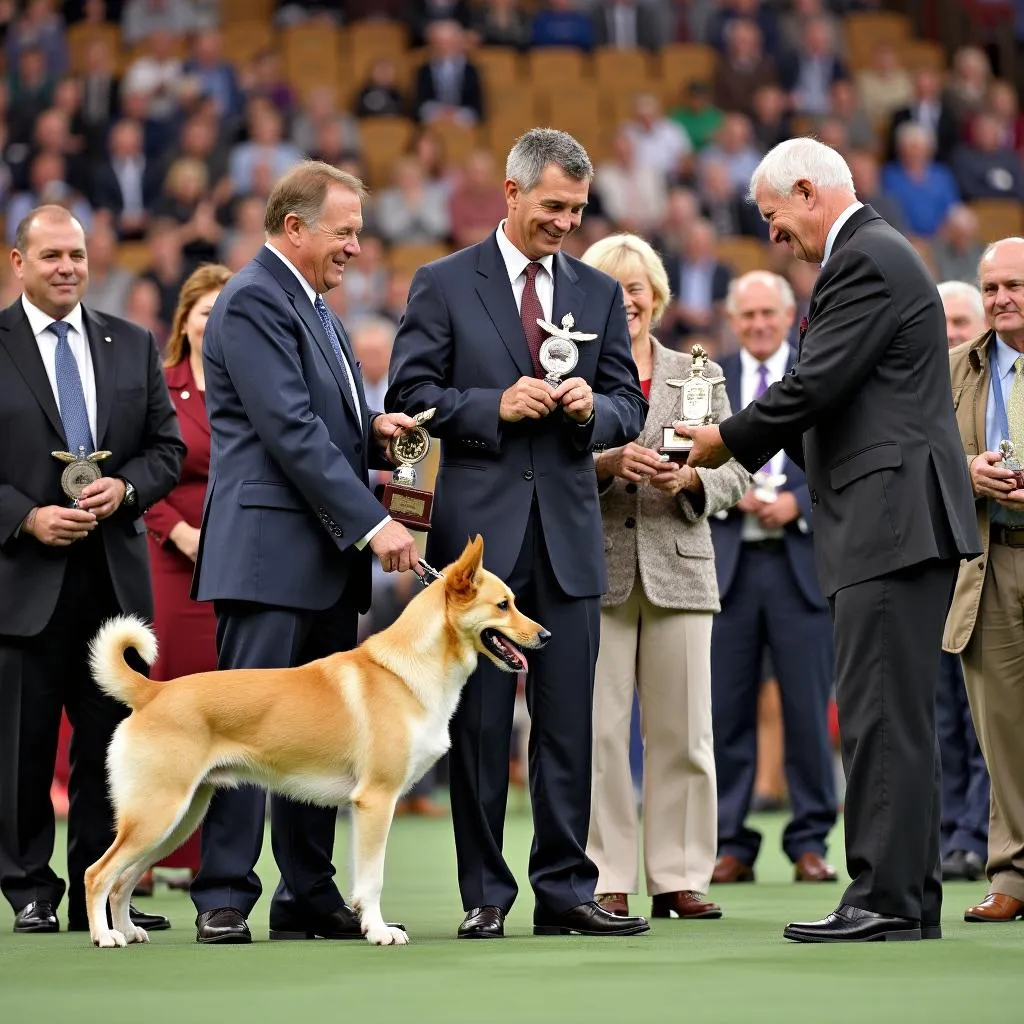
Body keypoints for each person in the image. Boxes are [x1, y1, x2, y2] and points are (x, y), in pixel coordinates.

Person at [681, 138, 981, 943]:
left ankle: (881, 898)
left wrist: (725, 440)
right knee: (900, 716)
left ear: (810, 191)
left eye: (777, 221)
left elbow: (816, 384)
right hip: (899, 519)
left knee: (882, 714)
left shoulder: (865, 259)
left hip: (887, 518)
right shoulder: (878, 254)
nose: (779, 240)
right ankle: (907, 898)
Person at [386, 128, 650, 939]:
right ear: (511, 193)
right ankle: (484, 896)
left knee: (570, 723)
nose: (567, 222)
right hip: (476, 553)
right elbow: (409, 399)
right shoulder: (440, 283)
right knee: (479, 729)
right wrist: (490, 407)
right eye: (553, 206)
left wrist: (592, 413)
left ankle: (567, 891)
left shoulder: (598, 293)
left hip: (568, 539)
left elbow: (628, 405)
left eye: (577, 208)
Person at [189, 161, 422, 945]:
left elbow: (321, 426)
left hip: (317, 558)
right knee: (240, 732)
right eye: (346, 229)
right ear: (296, 227)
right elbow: (289, 430)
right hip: (266, 557)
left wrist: (374, 435)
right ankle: (222, 892)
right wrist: (373, 521)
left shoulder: (314, 306)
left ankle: (307, 893)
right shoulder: (256, 299)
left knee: (314, 741)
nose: (357, 245)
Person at [0, 204, 184, 935]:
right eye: (50, 256)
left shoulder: (131, 344)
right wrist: (25, 517)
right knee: (23, 744)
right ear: (19, 262)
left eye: (75, 254)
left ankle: (96, 891)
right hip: (23, 576)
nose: (67, 267)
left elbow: (166, 449)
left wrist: (127, 489)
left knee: (112, 747)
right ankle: (29, 890)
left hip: (113, 583)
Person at [581, 233, 748, 922]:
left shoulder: (699, 373)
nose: (628, 301)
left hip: (680, 566)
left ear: (658, 295)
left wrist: (692, 479)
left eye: (637, 287)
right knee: (600, 732)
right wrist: (604, 466)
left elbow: (739, 467)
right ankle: (606, 873)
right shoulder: (570, 375)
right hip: (596, 572)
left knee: (685, 732)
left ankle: (680, 873)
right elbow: (547, 471)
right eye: (612, 289)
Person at [709, 271, 838, 886]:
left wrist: (800, 504)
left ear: (790, 317)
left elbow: (844, 458)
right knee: (725, 711)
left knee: (809, 713)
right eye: (747, 314)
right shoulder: (710, 377)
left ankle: (810, 840)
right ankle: (730, 842)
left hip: (801, 567)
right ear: (732, 321)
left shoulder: (818, 374)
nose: (758, 324)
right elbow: (691, 451)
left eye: (768, 313)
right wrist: (727, 494)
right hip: (727, 568)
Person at [137, 263, 232, 893]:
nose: (213, 321)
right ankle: (141, 850)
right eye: (204, 311)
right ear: (186, 321)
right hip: (172, 559)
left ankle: (205, 859)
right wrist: (180, 533)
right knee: (168, 699)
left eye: (223, 312)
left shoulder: (242, 383)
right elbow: (137, 469)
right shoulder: (163, 384)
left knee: (222, 705)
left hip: (234, 558)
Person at [945, 238, 1024, 922]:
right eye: (991, 286)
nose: (1001, 298)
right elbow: (923, 452)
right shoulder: (955, 369)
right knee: (1000, 729)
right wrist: (967, 472)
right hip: (989, 556)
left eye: (1014, 286)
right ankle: (1012, 877)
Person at [935, 280, 991, 884]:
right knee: (945, 714)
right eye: (942, 321)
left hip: (988, 558)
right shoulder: (926, 383)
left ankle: (976, 832)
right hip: (937, 564)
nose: (951, 333)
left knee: (983, 711)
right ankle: (953, 831)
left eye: (961, 322)